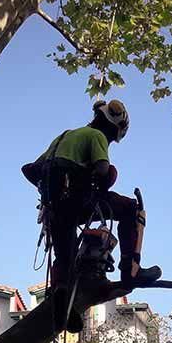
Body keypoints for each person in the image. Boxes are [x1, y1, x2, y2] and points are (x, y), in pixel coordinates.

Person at [22, 99, 162, 306]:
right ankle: (131, 270)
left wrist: (51, 191)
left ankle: (61, 293)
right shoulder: (97, 135)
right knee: (131, 208)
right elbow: (103, 169)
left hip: (56, 208)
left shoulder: (65, 136)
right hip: (80, 200)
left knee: (65, 257)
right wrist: (92, 182)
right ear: (112, 128)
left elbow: (29, 169)